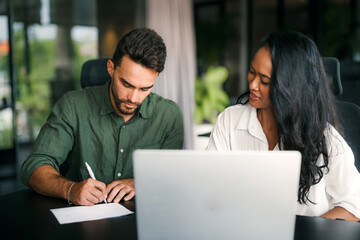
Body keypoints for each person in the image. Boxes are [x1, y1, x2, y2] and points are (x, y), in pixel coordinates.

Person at [207, 30, 360, 221]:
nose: (253, 85)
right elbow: (209, 188)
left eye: (265, 81)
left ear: (291, 87)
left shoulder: (327, 141)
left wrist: (306, 232)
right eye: (252, 72)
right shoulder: (229, 121)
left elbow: (354, 207)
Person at [21, 28, 184, 206]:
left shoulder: (169, 115)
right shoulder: (72, 106)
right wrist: (70, 189)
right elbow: (34, 167)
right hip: (81, 221)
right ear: (111, 68)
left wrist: (141, 182)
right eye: (126, 84)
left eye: (145, 89)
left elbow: (171, 174)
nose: (133, 98)